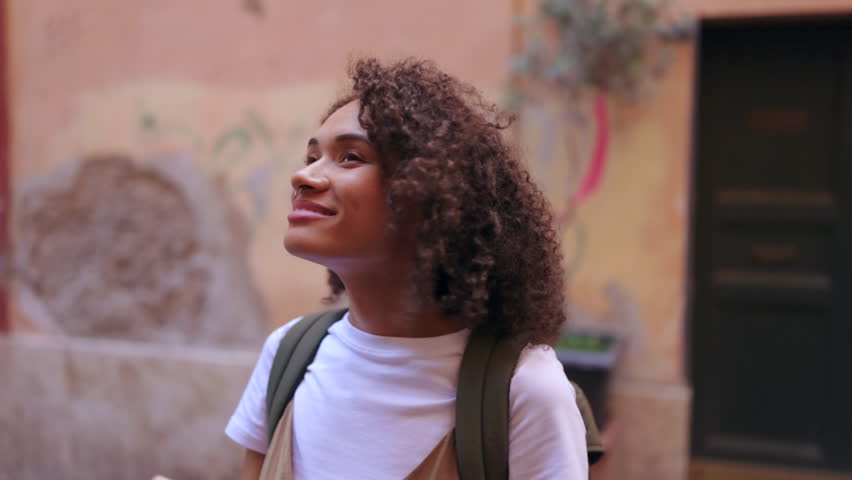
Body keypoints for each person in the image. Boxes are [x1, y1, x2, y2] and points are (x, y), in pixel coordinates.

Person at [225, 57, 588, 479]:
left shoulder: (523, 389)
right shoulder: (287, 354)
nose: (303, 176)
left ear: (429, 195)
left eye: (349, 157)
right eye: (312, 155)